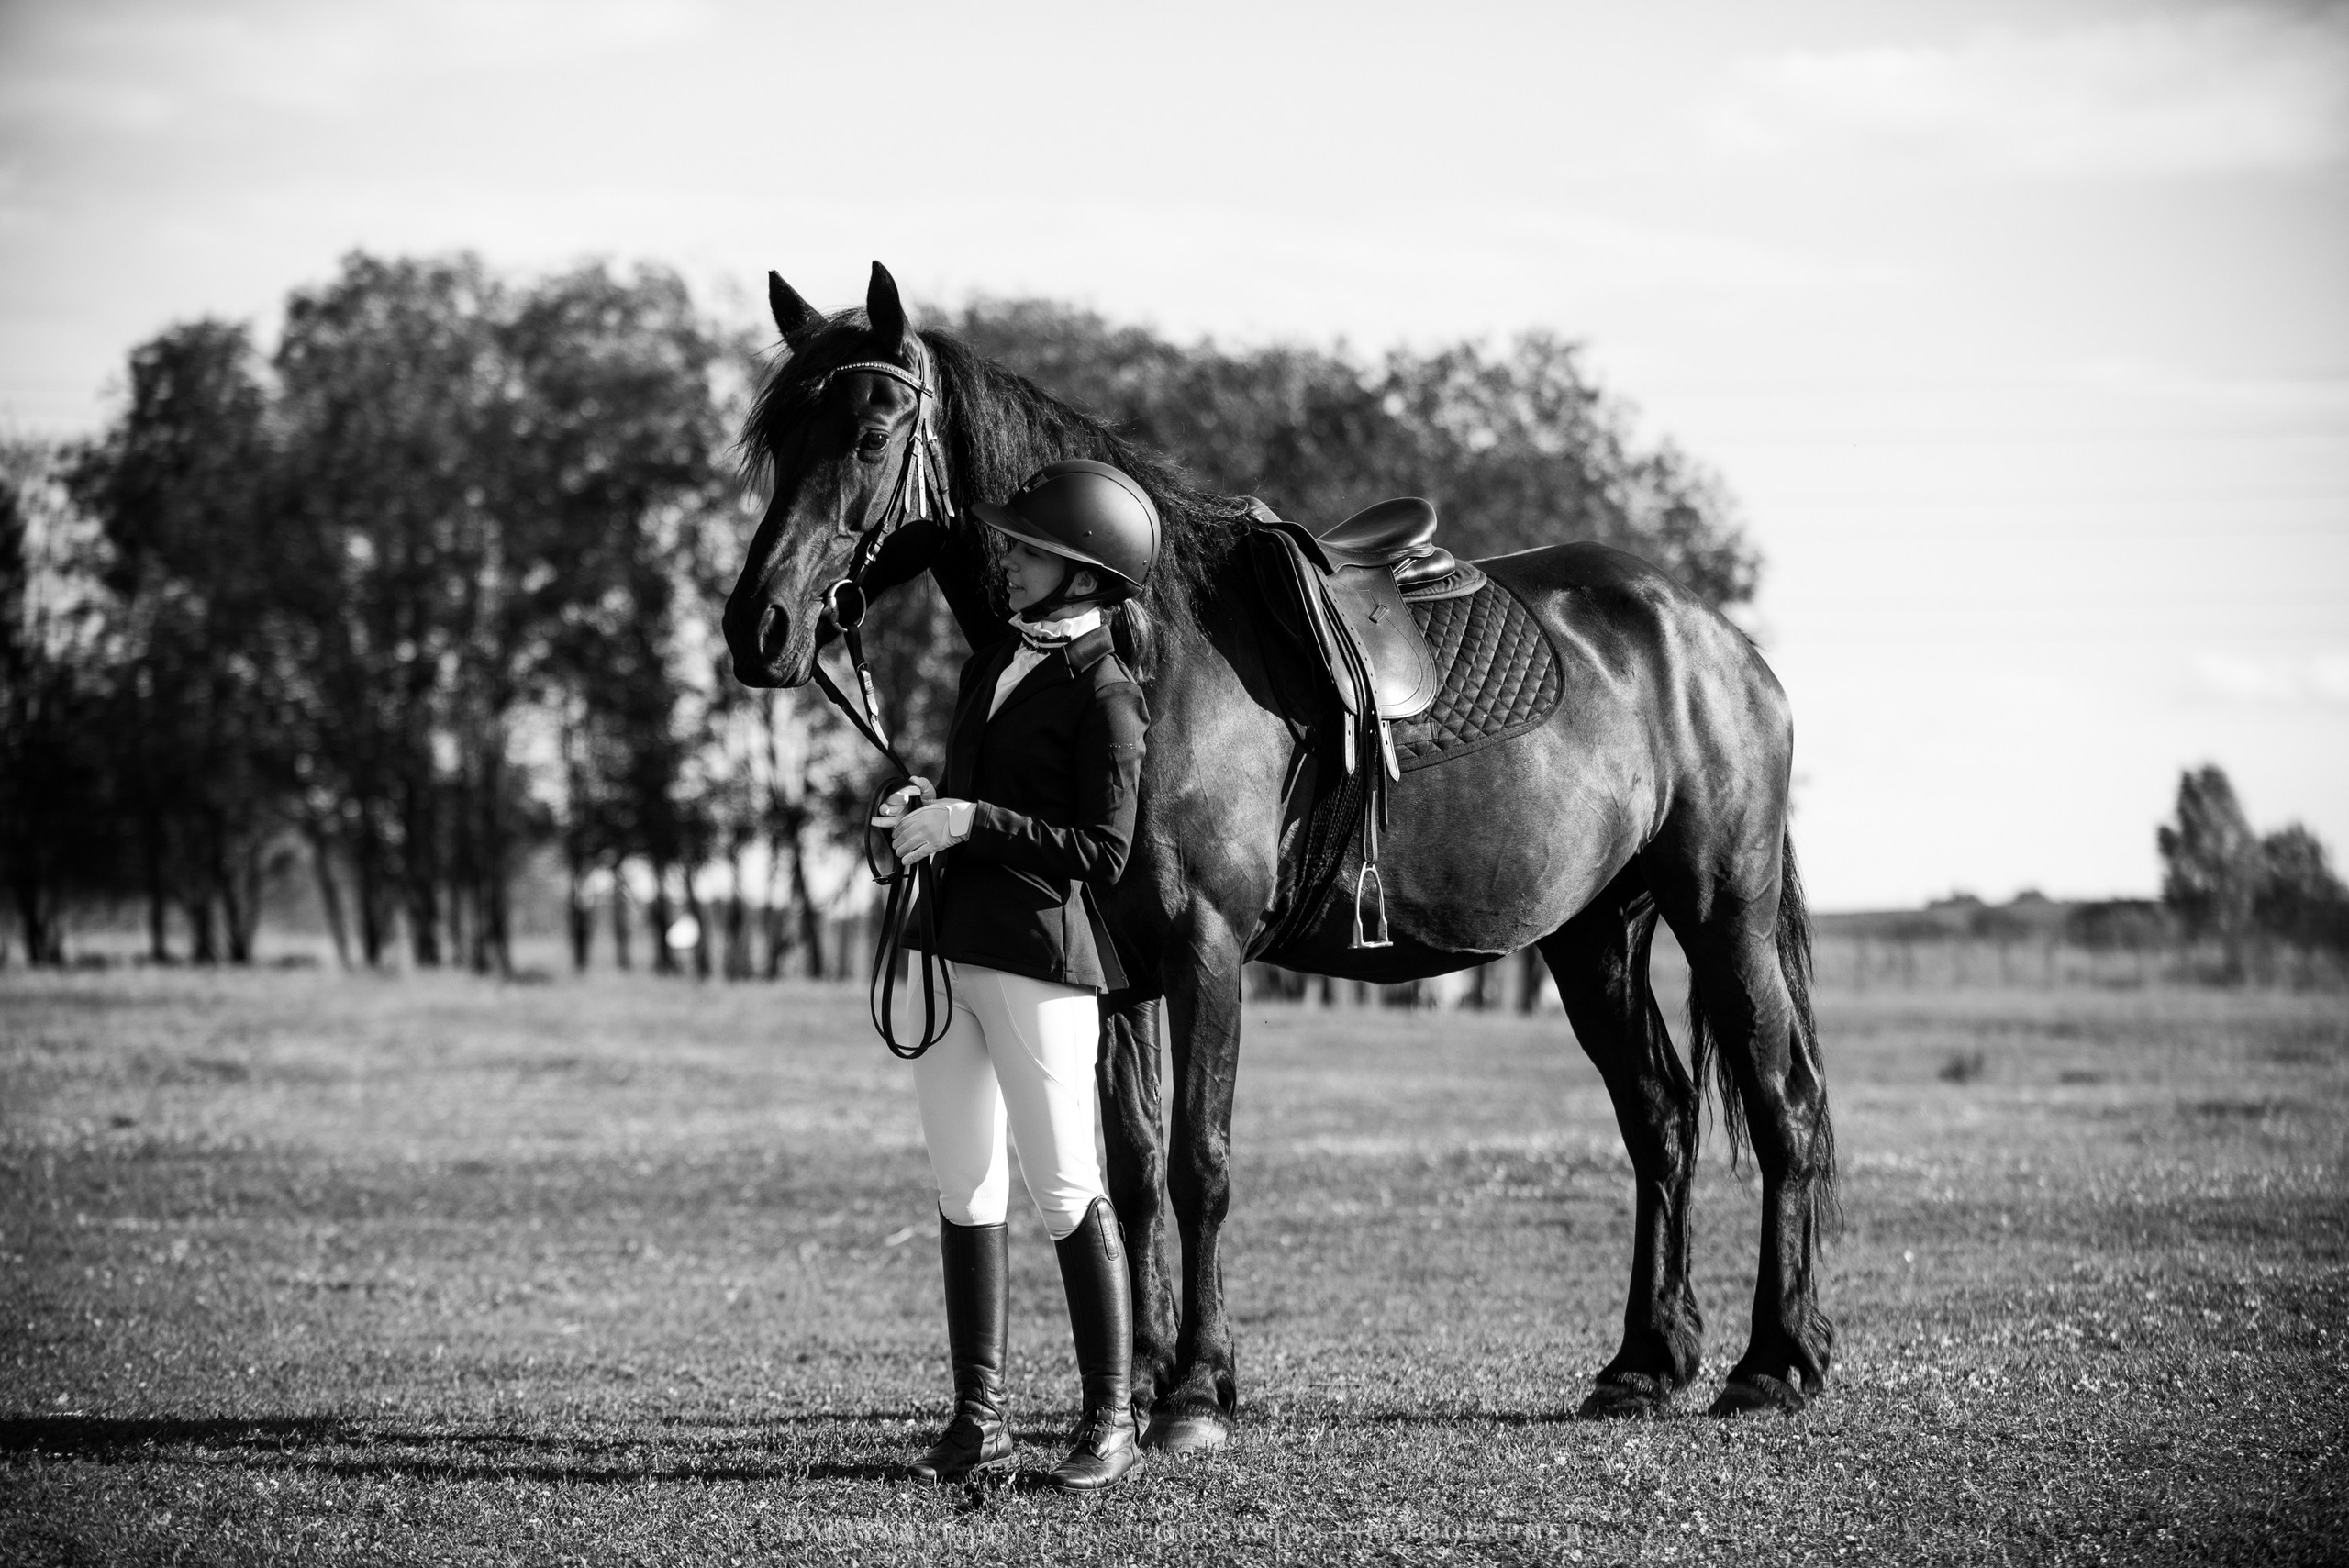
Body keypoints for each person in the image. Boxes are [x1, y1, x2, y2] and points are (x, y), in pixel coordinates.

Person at [874, 458, 1158, 1492]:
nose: (1009, 556)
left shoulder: (1110, 695)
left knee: (1066, 1186)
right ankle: (977, 1421)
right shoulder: (992, 657)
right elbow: (968, 795)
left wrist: (971, 821)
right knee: (963, 1184)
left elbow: (1104, 850)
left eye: (1031, 547)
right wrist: (923, 808)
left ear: (1084, 572)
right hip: (950, 943)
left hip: (1043, 961)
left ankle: (1110, 1420)